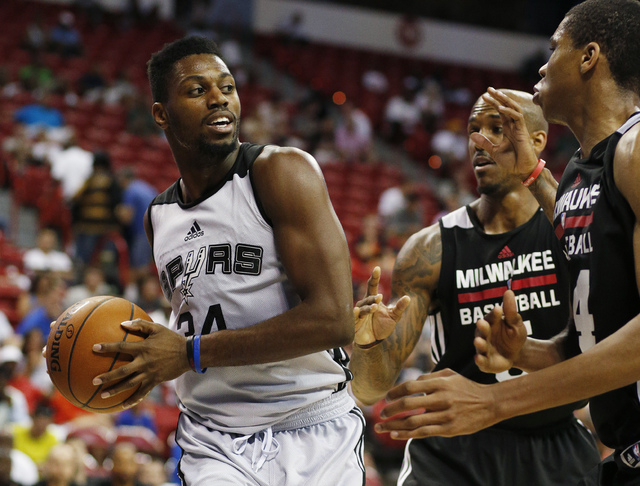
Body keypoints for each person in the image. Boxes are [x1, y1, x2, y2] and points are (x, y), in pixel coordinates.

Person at [368, 2, 640, 485]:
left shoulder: (634, 150)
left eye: (554, 47)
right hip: (613, 449)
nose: (541, 62)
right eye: (476, 127)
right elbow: (586, 344)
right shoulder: (581, 174)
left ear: (589, 56)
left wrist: (494, 400)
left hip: (560, 441)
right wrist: (526, 352)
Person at [87, 36, 364, 485]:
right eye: (197, 90)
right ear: (161, 113)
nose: (219, 98)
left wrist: (188, 352)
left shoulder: (280, 172)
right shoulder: (158, 217)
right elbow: (198, 317)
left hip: (310, 421)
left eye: (227, 86)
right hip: (212, 436)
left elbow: (334, 321)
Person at [350, 89, 601, 485]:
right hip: (453, 451)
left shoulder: (567, 229)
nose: (479, 141)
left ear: (536, 141)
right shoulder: (429, 248)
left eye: (497, 129)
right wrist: (366, 346)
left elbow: (597, 250)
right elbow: (368, 388)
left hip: (553, 444)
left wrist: (535, 174)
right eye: (473, 129)